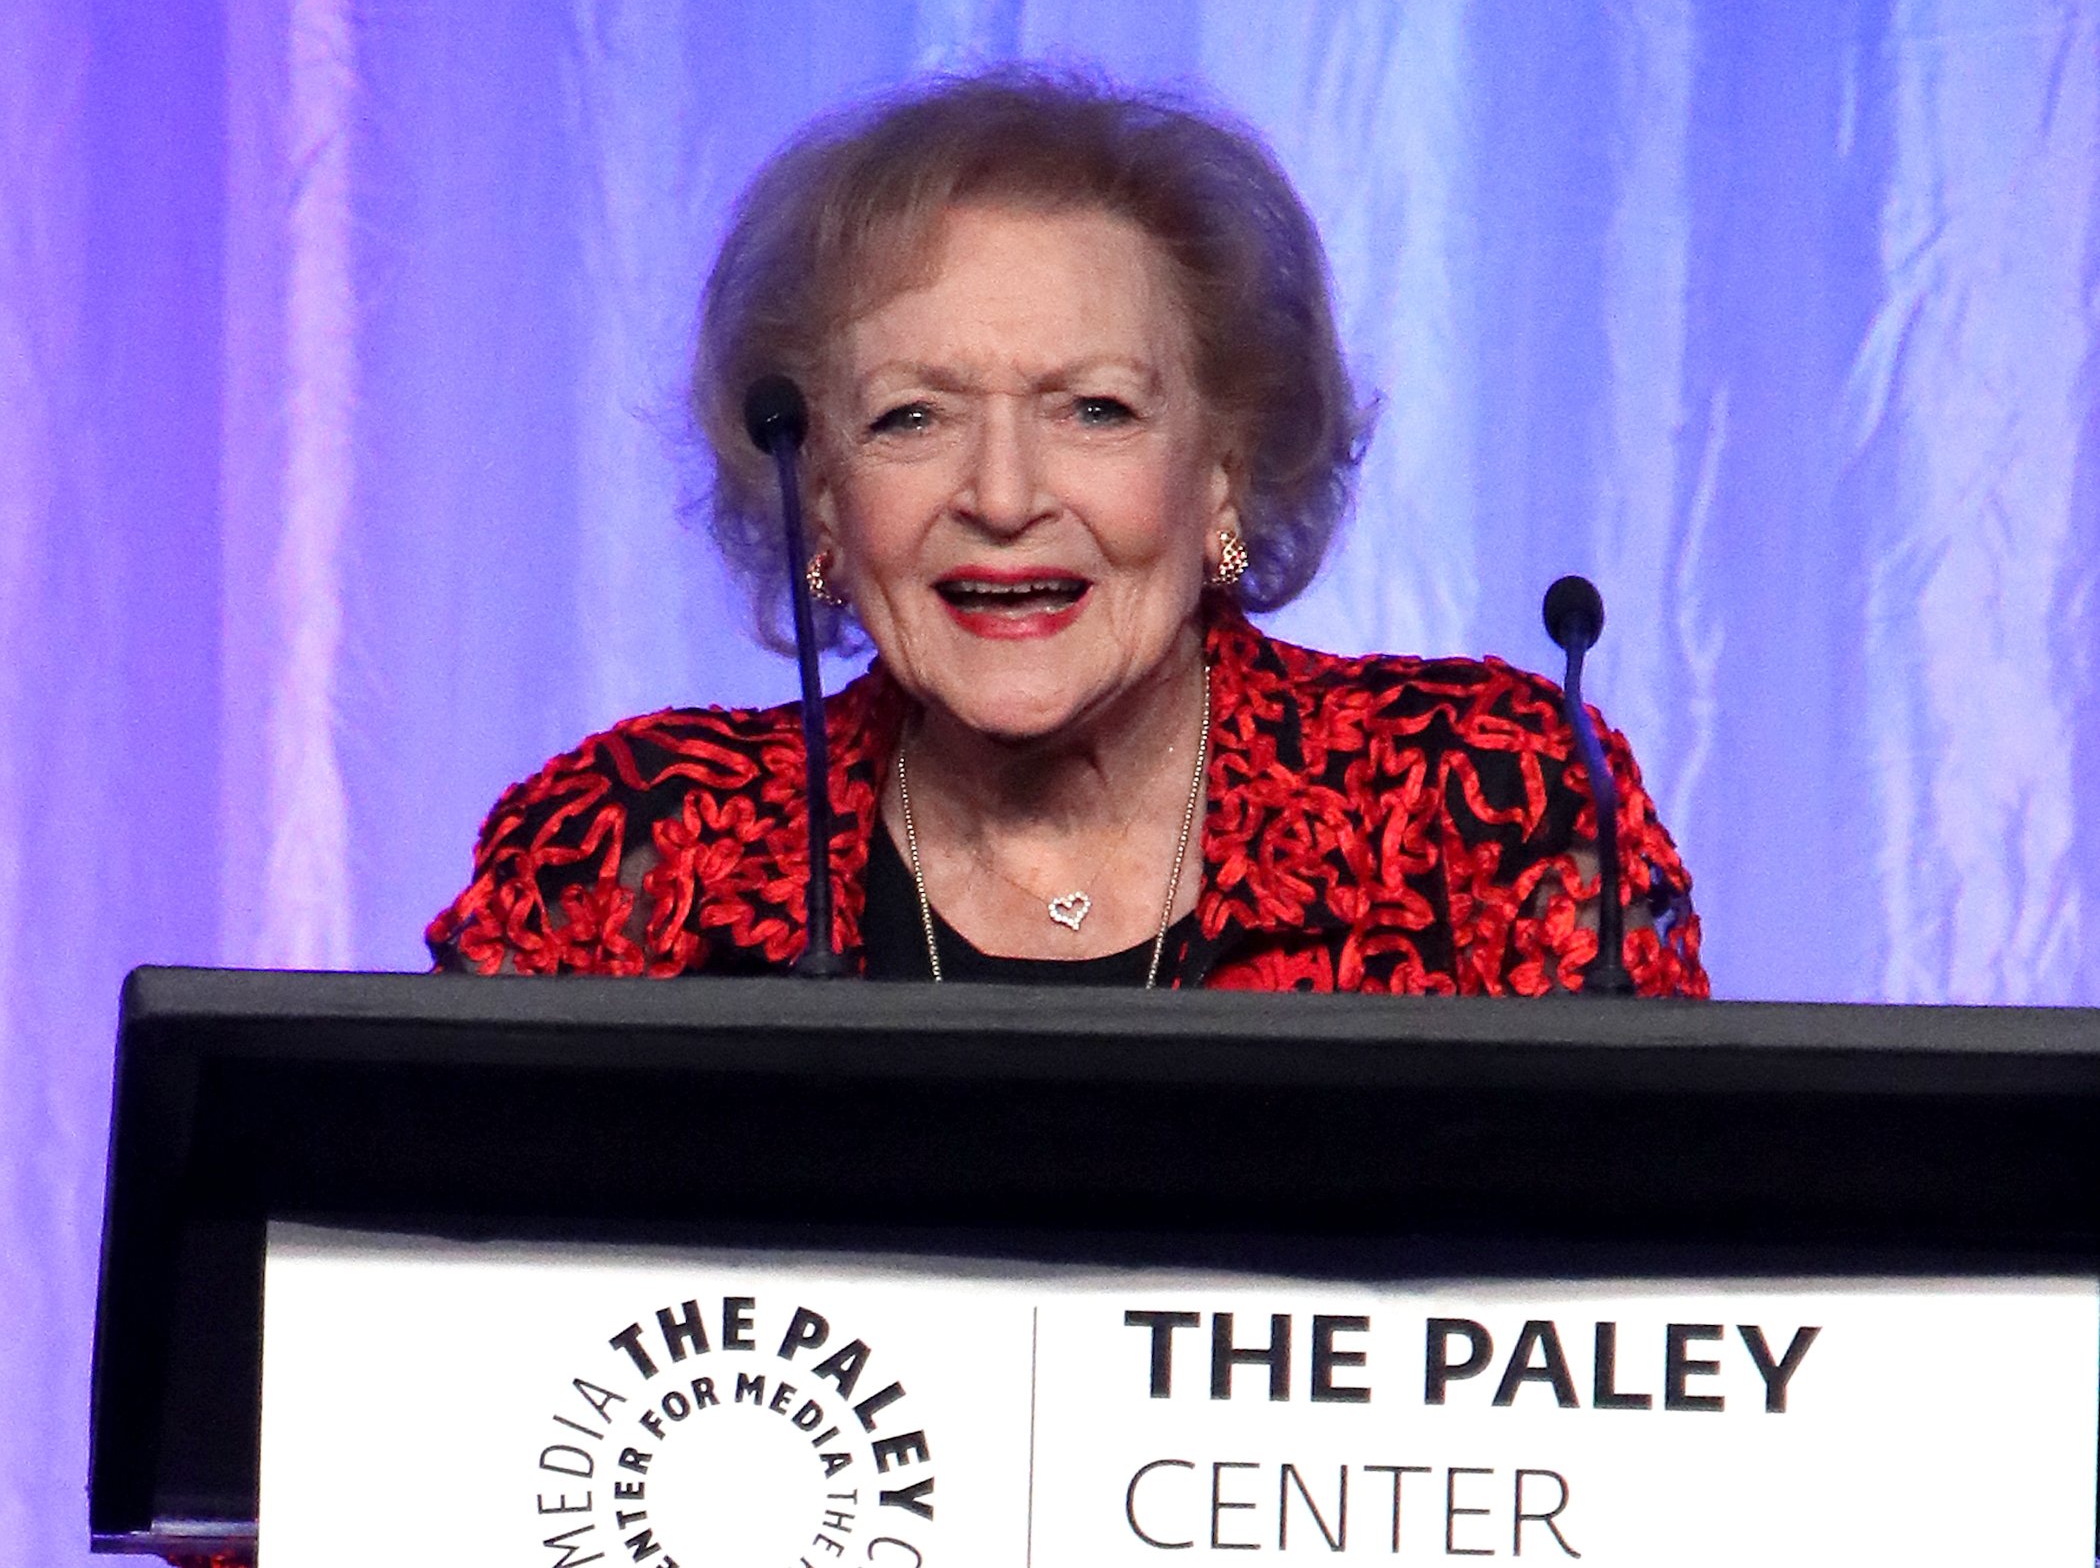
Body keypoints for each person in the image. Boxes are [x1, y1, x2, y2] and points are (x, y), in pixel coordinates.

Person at [426, 69, 1706, 997]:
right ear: (819, 496)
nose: (1001, 494)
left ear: (1223, 472)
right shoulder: (635, 852)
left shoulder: (1487, 808)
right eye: (911, 418)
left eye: (1094, 410)